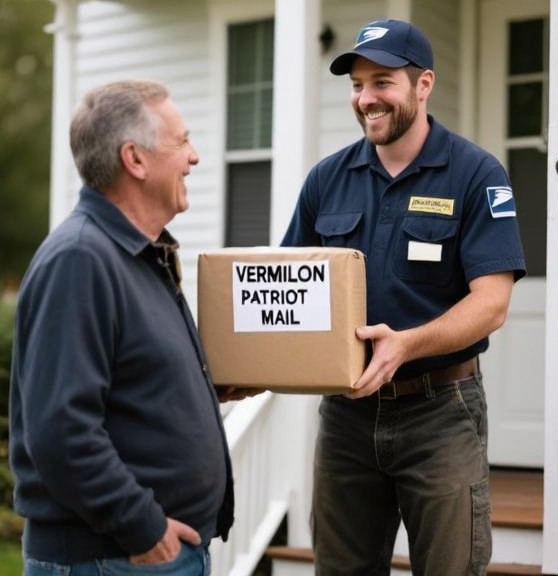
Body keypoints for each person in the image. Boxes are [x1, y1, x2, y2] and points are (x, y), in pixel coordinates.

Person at [282, 18, 526, 576]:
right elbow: (288, 284)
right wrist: (250, 365)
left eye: (382, 82)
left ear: (423, 85)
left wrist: (407, 345)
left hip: (441, 412)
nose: (366, 98)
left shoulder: (475, 174)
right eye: (356, 84)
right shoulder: (327, 179)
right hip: (346, 416)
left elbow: (492, 302)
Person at [9, 80, 234, 575]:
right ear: (134, 159)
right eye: (182, 141)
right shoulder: (80, 260)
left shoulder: (138, 254)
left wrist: (202, 387)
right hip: (114, 556)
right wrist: (143, 527)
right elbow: (61, 431)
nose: (193, 157)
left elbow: (127, 383)